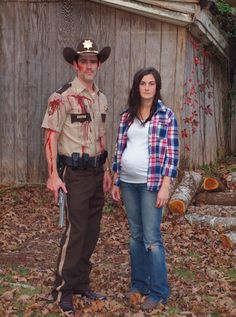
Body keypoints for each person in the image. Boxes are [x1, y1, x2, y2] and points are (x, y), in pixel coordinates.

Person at [41, 39, 112, 314]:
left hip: (96, 172)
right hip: (75, 175)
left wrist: (106, 171)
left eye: (93, 61)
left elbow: (101, 135)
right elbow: (51, 136)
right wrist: (52, 176)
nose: (89, 66)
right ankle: (62, 290)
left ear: (99, 64)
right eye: (84, 61)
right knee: (77, 231)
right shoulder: (62, 96)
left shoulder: (101, 97)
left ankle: (81, 282)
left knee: (92, 231)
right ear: (75, 64)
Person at [111, 67, 179, 311]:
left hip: (151, 186)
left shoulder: (166, 116)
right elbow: (119, 150)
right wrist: (116, 179)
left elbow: (172, 155)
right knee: (135, 237)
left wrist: (165, 187)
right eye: (143, 83)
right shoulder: (126, 117)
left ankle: (159, 291)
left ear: (157, 87)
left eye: (151, 83)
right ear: (137, 86)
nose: (147, 87)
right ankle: (138, 285)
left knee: (152, 239)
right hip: (128, 183)